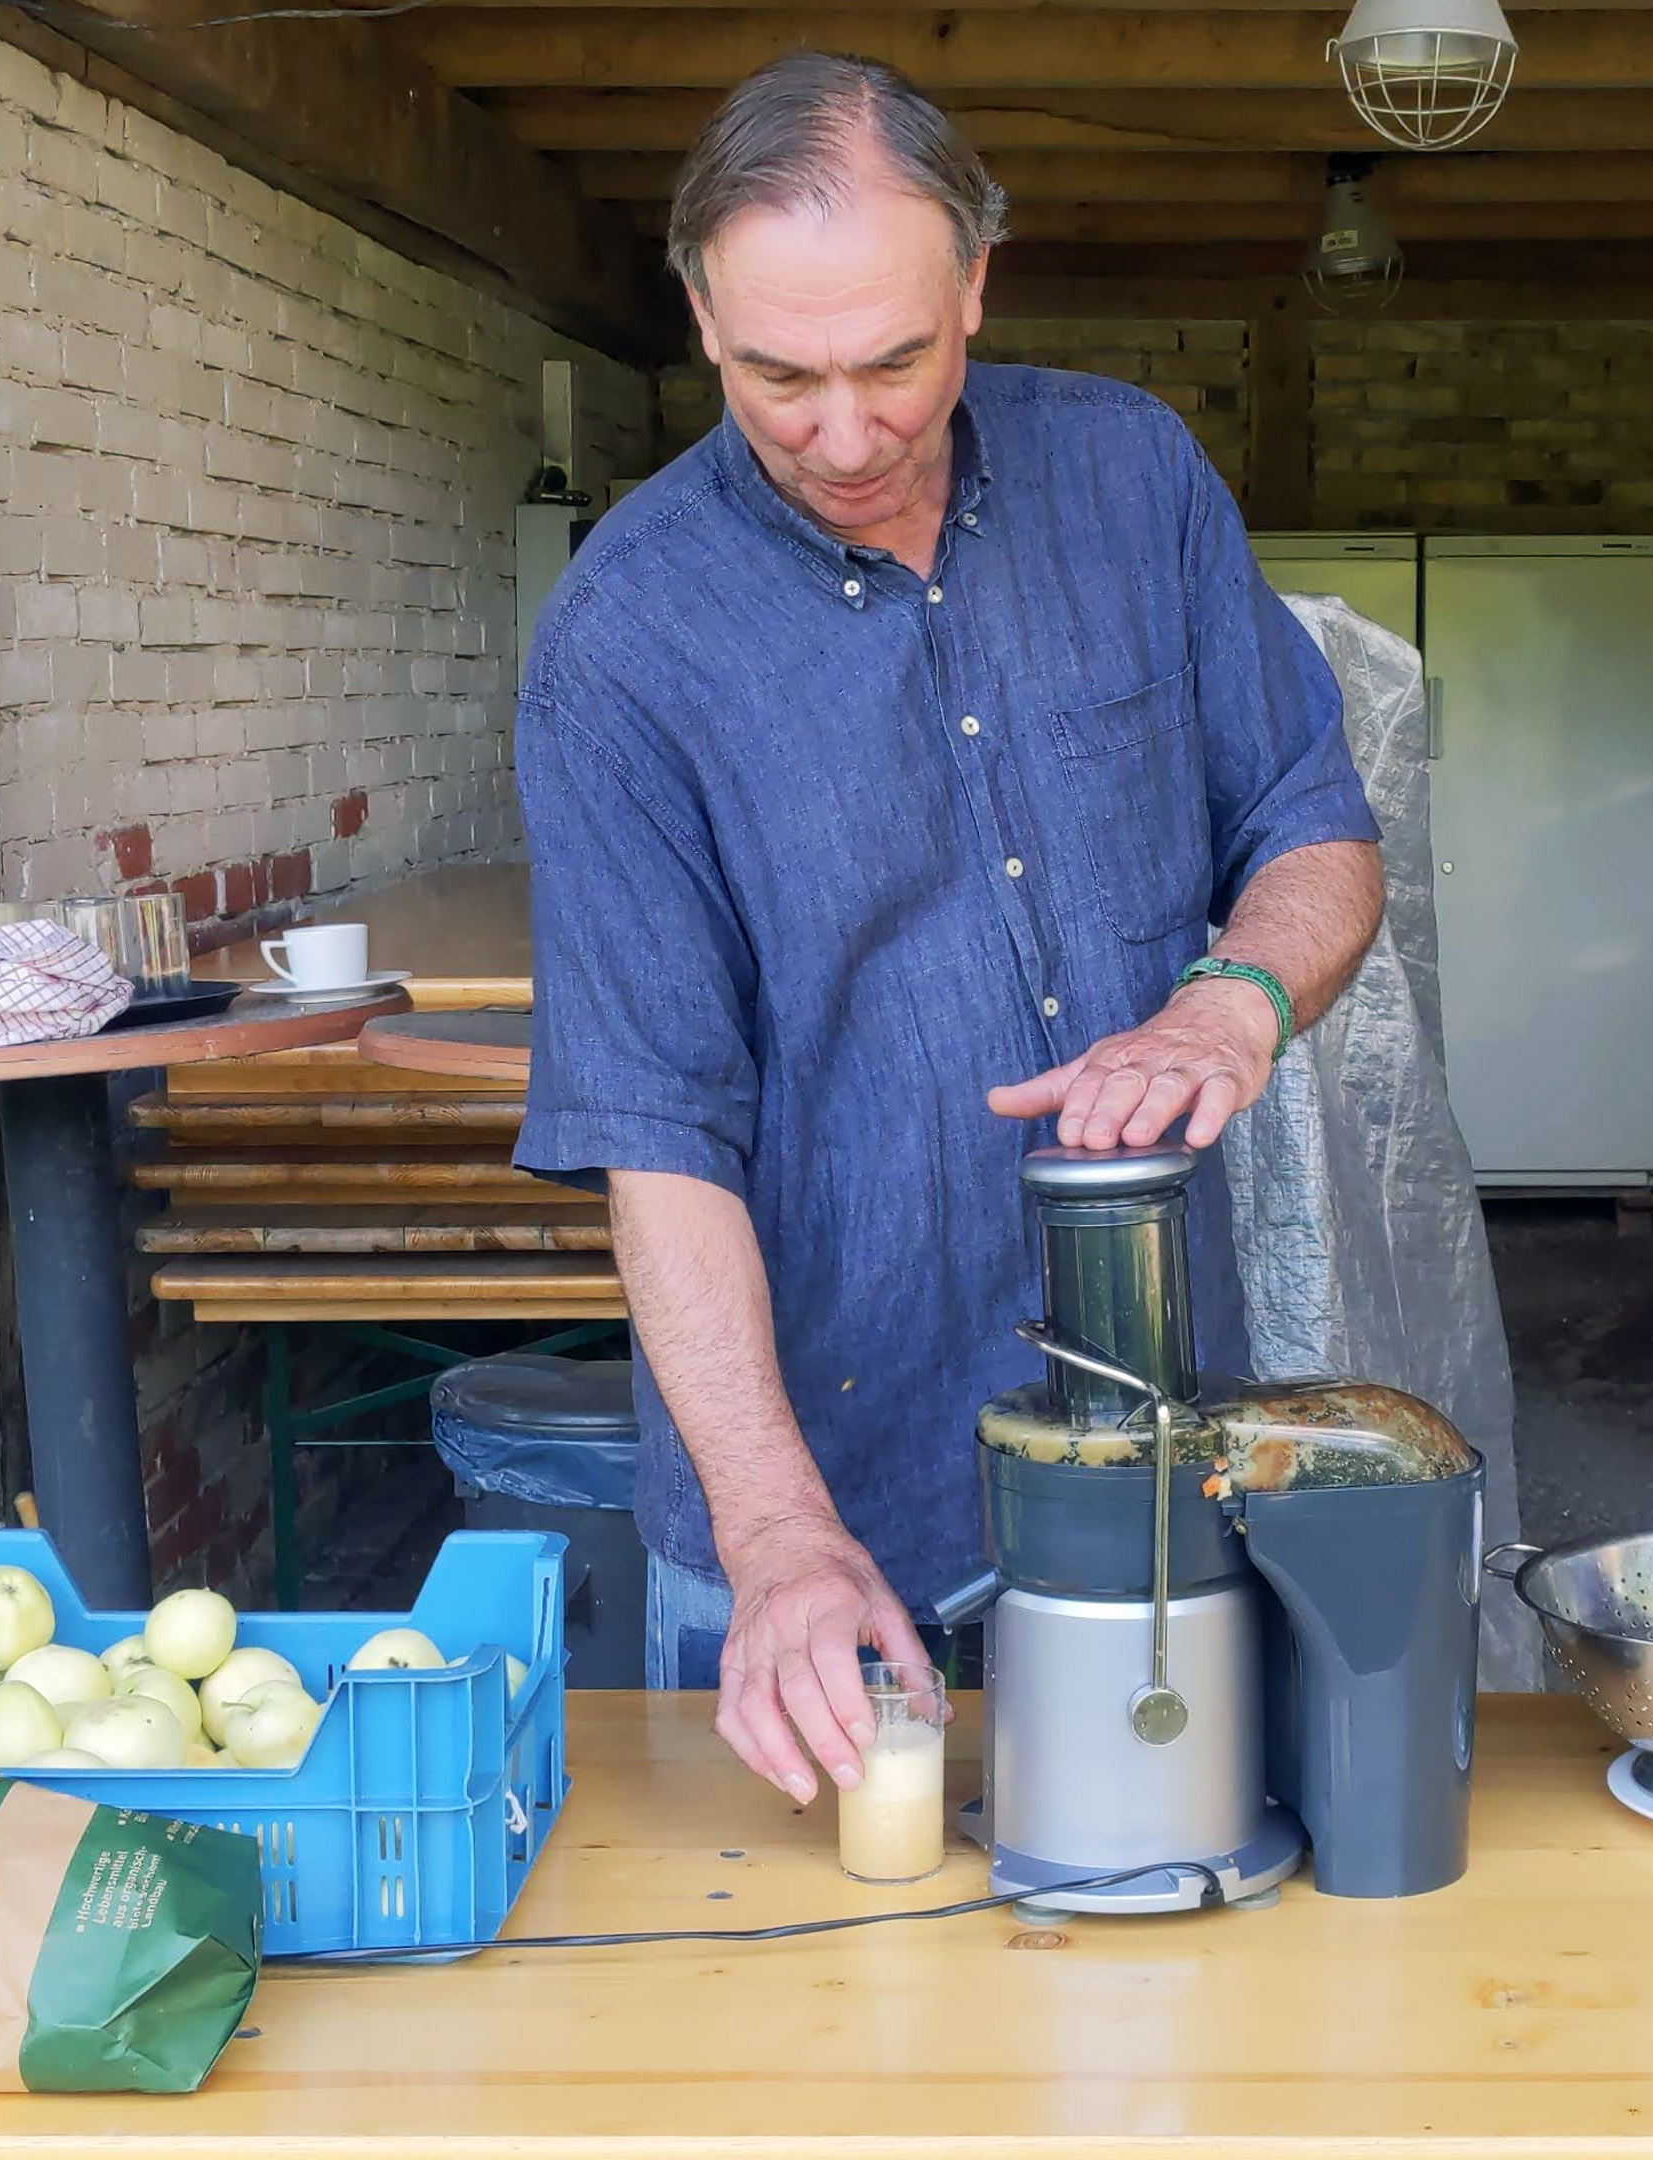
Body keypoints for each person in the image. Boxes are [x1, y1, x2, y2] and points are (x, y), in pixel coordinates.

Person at [513, 52, 1387, 1808]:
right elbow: (656, 1134)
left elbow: (1314, 826)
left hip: (1146, 1437)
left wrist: (1231, 1008)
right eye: (778, 377)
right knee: (800, 2036)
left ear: (977, 283)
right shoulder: (622, 639)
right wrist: (775, 1536)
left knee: (1163, 1972)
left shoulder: (1132, 481)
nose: (846, 434)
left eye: (895, 362)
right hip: (816, 1498)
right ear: (697, 314)